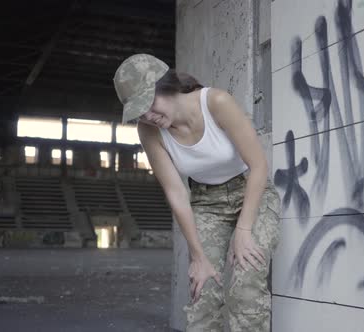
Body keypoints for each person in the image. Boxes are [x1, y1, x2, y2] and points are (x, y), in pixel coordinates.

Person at [113, 54, 281, 331]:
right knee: (202, 292)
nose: (148, 116)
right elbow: (176, 193)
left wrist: (244, 230)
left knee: (245, 287)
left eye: (149, 104)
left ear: (166, 85)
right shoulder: (149, 131)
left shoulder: (216, 102)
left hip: (252, 191)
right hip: (205, 201)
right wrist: (197, 256)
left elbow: (259, 166)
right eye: (140, 112)